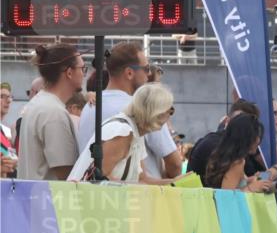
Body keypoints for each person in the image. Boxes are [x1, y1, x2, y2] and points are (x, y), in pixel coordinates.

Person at [77, 42, 182, 181]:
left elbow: (141, 179)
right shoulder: (138, 111)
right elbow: (96, 178)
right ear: (129, 73)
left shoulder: (89, 108)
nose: (149, 74)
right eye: (146, 69)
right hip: (117, 194)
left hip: (123, 192)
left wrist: (172, 183)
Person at [69, 84, 180, 184]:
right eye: (170, 109)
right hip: (82, 198)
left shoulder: (135, 132)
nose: (170, 114)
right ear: (156, 112)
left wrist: (176, 183)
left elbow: (142, 180)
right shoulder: (123, 133)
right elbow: (98, 179)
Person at [17, 44, 85, 181]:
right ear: (69, 73)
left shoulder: (38, 103)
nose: (84, 74)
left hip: (32, 192)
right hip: (48, 194)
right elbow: (65, 174)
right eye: (82, 69)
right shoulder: (54, 112)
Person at [202, 114, 276, 192]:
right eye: (257, 135)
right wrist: (252, 187)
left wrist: (249, 180)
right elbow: (227, 195)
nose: (258, 140)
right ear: (247, 138)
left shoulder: (223, 156)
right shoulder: (237, 163)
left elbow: (233, 184)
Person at [1, 82, 15, 178]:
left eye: (9, 97)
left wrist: (14, 162)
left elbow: (13, 158)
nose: (8, 100)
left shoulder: (6, 131)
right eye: (2, 96)